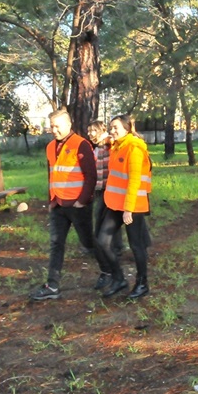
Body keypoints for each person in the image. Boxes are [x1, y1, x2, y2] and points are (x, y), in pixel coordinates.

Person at [30, 109, 102, 301]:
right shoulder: (50, 147)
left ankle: (110, 272)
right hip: (59, 205)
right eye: (51, 126)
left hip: (78, 206)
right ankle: (52, 285)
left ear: (69, 125)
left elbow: (91, 176)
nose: (54, 130)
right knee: (56, 243)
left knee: (88, 243)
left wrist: (82, 201)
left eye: (57, 126)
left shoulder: (82, 145)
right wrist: (51, 200)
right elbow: (52, 175)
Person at [95, 114, 154, 299]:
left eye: (116, 128)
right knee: (102, 240)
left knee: (136, 246)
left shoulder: (134, 148)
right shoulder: (116, 146)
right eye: (110, 127)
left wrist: (128, 209)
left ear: (127, 129)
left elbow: (135, 180)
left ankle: (142, 283)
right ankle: (119, 279)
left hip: (132, 205)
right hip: (115, 204)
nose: (112, 131)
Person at [88, 120, 124, 286]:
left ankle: (109, 254)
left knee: (102, 223)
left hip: (109, 190)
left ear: (100, 130)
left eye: (92, 131)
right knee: (109, 221)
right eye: (88, 131)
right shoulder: (97, 147)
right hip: (100, 190)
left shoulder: (109, 143)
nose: (90, 134)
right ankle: (115, 247)